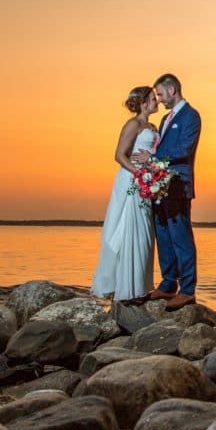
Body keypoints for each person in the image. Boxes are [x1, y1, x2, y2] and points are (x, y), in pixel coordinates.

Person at [133, 72, 201, 310]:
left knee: (181, 236)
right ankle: (168, 283)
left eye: (160, 94)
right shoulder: (164, 120)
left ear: (172, 90)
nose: (159, 100)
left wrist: (153, 157)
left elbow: (184, 148)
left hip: (178, 184)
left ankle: (188, 289)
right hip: (159, 184)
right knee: (163, 235)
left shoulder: (190, 116)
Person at [90, 86, 158, 303]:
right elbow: (119, 155)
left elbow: (154, 153)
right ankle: (126, 288)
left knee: (145, 231)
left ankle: (141, 285)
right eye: (153, 98)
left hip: (148, 180)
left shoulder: (153, 126)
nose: (156, 101)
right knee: (129, 228)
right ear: (142, 102)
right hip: (131, 180)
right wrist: (140, 173)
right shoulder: (133, 124)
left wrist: (153, 169)